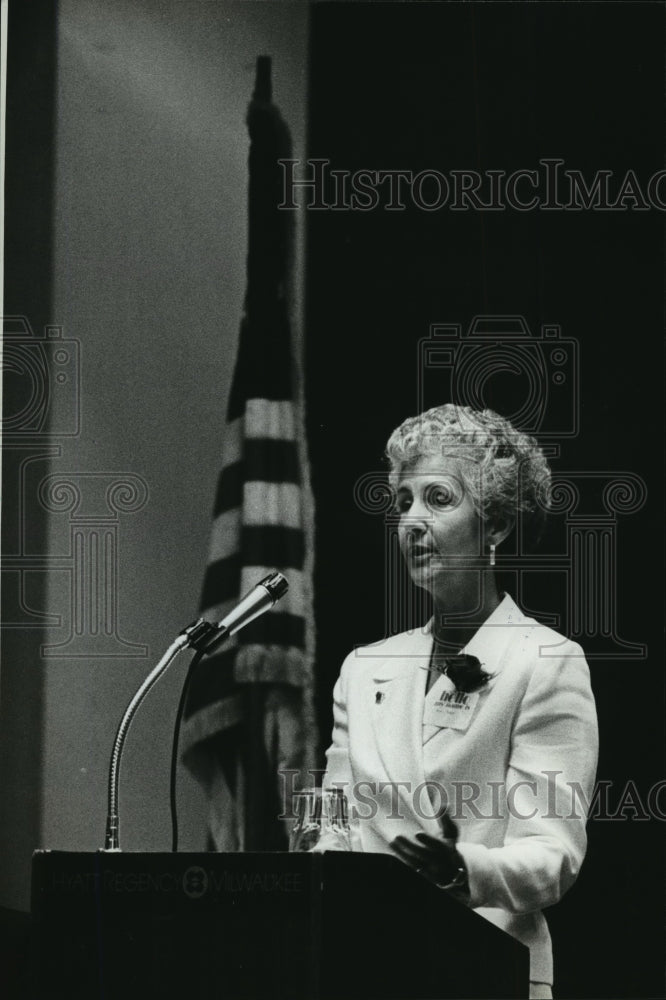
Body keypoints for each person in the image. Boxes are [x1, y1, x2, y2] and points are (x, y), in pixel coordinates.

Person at [322, 404, 598, 1000]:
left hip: (483, 969)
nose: (412, 522)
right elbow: (335, 830)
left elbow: (552, 854)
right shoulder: (363, 666)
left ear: (494, 525)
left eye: (439, 500)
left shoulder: (545, 660)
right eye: (402, 503)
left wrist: (463, 868)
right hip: (365, 969)